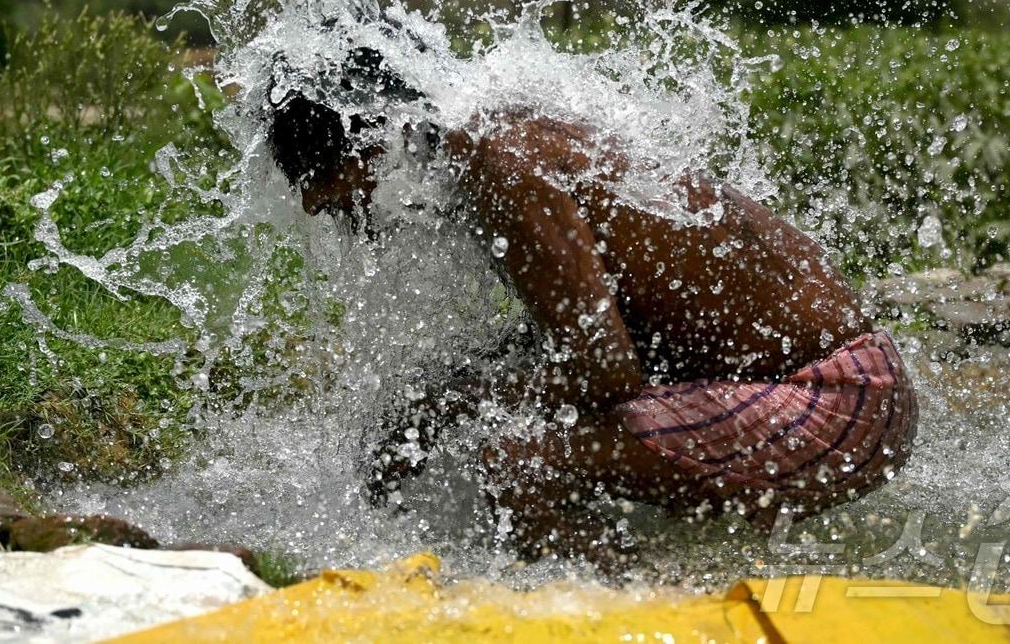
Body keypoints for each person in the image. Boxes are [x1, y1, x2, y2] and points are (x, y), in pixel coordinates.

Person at [264, 48, 917, 568]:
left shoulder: (501, 162)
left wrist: (446, 406)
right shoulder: (495, 134)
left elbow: (606, 372)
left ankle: (663, 614)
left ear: (372, 144)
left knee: (519, 464)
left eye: (326, 188)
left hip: (842, 402)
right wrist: (438, 398)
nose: (319, 210)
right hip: (808, 382)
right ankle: (656, 569)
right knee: (491, 410)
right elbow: (585, 337)